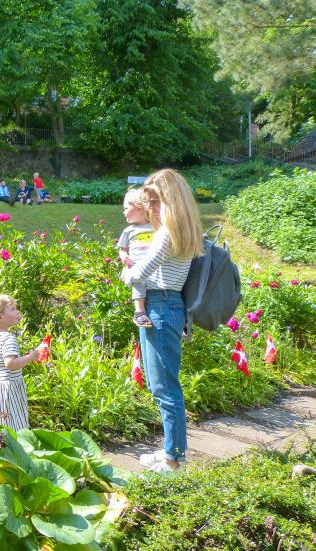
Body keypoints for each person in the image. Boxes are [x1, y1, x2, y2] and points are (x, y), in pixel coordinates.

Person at [121, 169, 203, 473]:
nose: (151, 208)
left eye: (154, 201)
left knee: (165, 387)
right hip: (162, 305)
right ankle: (171, 449)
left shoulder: (169, 232)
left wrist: (126, 271)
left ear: (170, 200)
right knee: (161, 385)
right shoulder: (179, 229)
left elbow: (138, 273)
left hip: (161, 306)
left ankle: (173, 459)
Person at [0, 294, 45, 431]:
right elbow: (10, 364)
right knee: (13, 425)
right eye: (13, 309)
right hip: (9, 389)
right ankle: (15, 450)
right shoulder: (8, 338)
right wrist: (31, 357)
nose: (17, 312)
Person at [117, 188, 155, 327]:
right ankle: (139, 311)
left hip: (155, 265)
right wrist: (124, 258)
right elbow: (123, 249)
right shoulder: (129, 231)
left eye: (126, 208)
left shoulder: (156, 227)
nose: (123, 212)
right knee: (138, 283)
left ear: (139, 208)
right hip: (136, 265)